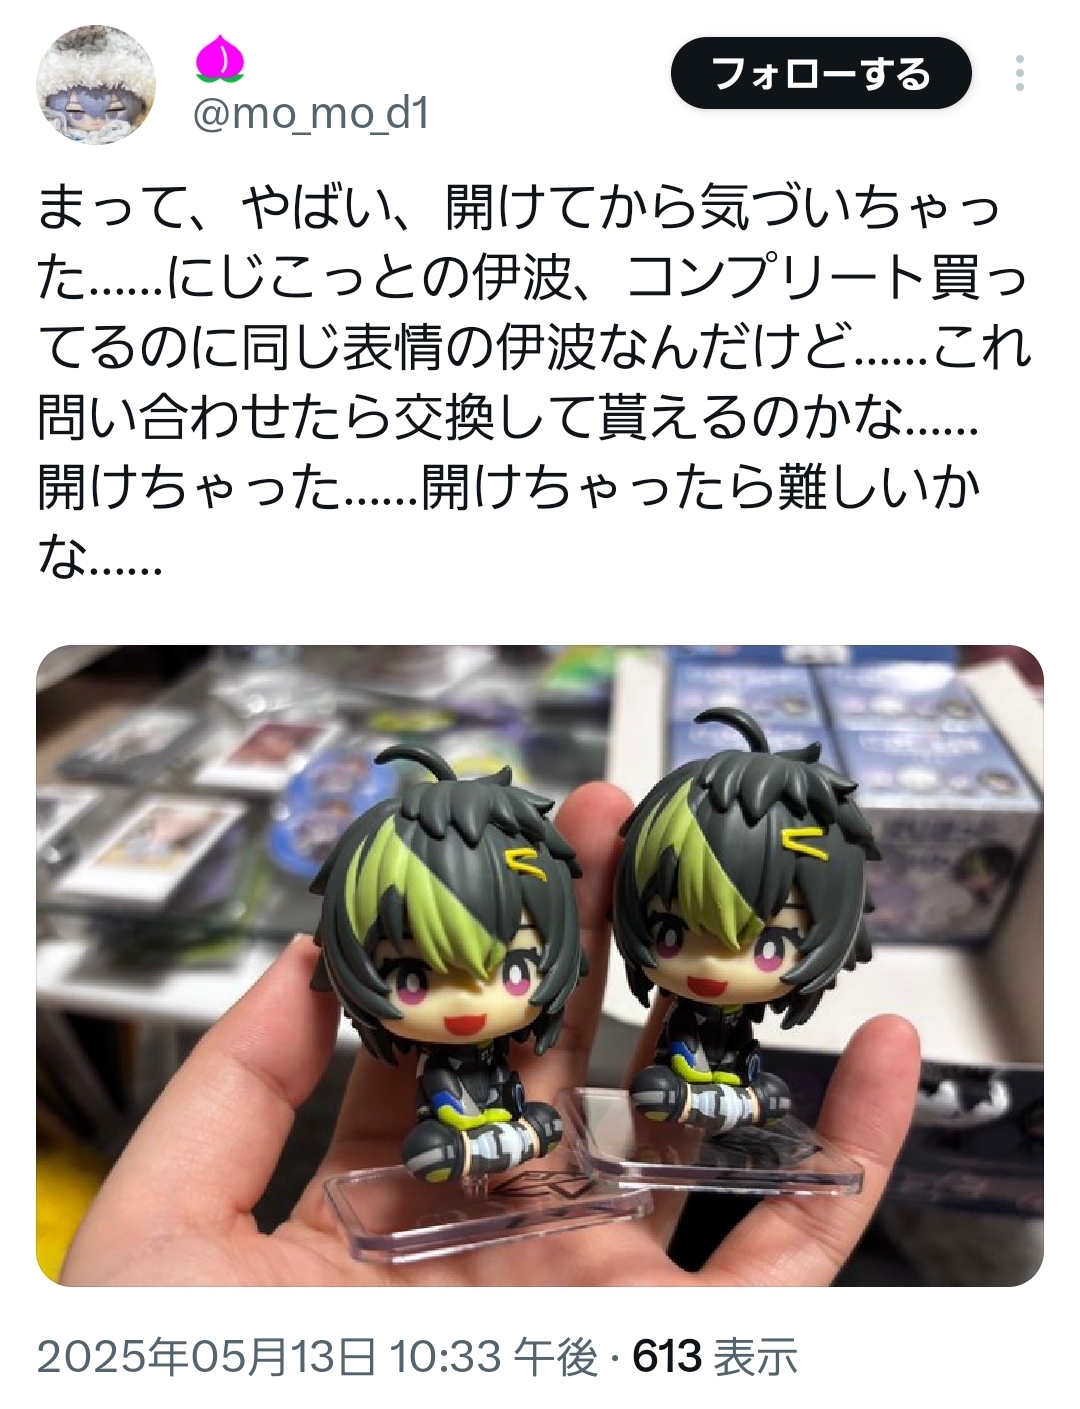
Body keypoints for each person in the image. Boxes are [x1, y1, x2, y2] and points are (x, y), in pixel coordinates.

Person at [59, 781, 920, 1287]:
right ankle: (502, 1132)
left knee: (686, 1077)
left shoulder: (699, 1003)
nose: (467, 1005)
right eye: (412, 979)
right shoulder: (451, 1048)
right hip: (465, 1117)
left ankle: (690, 1094)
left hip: (668, 1077)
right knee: (491, 1118)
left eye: (510, 967)